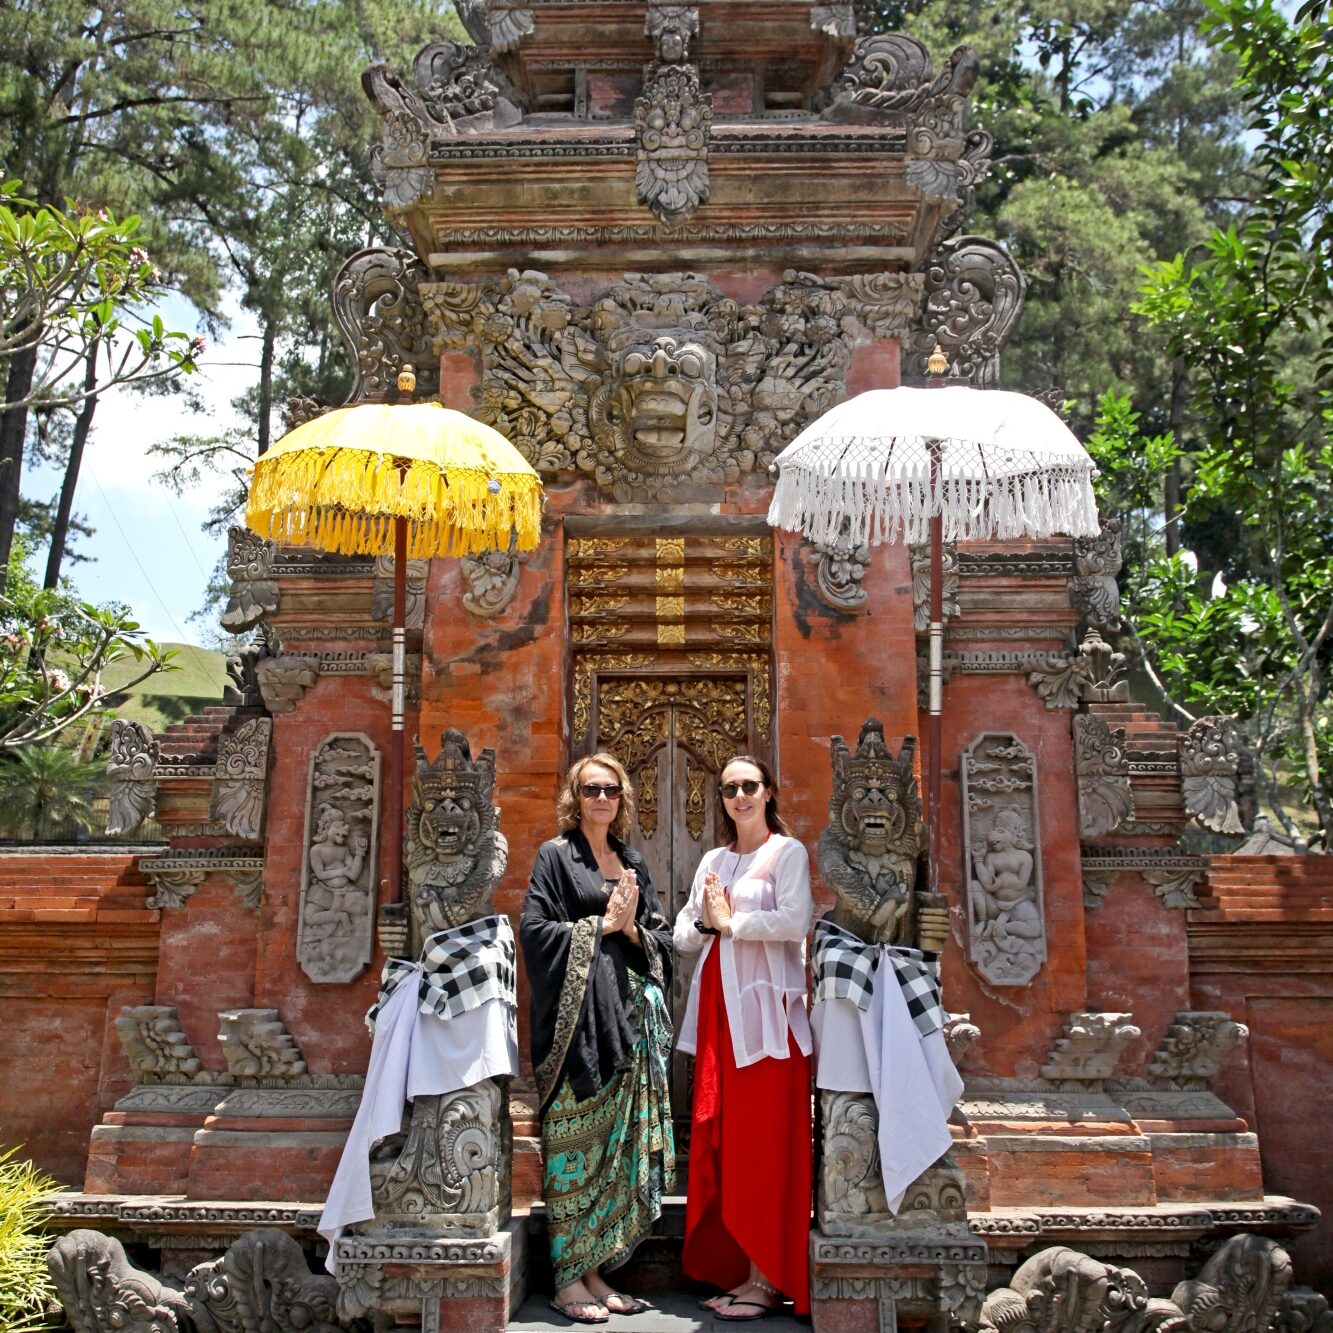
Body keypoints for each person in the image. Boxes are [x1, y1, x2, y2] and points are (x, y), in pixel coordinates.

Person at [519, 753, 675, 1324]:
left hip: (626, 1026)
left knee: (610, 1152)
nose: (601, 799)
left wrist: (631, 928)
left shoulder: (630, 860)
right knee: (571, 1151)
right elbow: (533, 932)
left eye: (611, 790)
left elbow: (656, 937)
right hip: (575, 1029)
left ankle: (593, 1271)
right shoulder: (556, 858)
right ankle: (565, 1281)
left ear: (623, 798)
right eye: (591, 790)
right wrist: (600, 927)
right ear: (575, 797)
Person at [673, 755, 814, 1320]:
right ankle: (736, 1269)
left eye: (749, 786)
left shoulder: (787, 853)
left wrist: (736, 924)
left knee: (764, 1143)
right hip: (717, 1011)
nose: (739, 796)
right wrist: (710, 922)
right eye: (730, 788)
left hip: (768, 1023)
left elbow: (797, 919)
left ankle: (766, 1279)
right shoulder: (713, 859)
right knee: (726, 1138)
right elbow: (685, 931)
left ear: (768, 791)